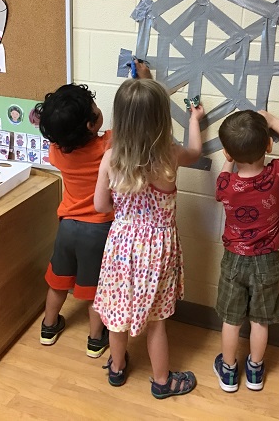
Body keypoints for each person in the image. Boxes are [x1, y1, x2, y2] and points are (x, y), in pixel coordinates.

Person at [93, 61, 205, 398]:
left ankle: (116, 368)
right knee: (156, 321)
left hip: (121, 246)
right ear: (162, 119)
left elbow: (100, 206)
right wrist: (195, 120)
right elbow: (198, 152)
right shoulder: (169, 156)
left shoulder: (110, 158)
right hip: (157, 249)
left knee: (115, 313)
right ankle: (161, 382)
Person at [213, 109, 279, 393]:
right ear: (268, 145)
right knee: (260, 320)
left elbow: (222, 181)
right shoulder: (278, 174)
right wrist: (275, 122)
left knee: (231, 319)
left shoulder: (226, 185)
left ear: (227, 154)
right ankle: (254, 370)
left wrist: (228, 163)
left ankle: (228, 372)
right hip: (267, 262)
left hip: (234, 261)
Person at [34, 84, 114, 358]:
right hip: (98, 229)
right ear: (92, 125)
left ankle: (48, 326)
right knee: (94, 288)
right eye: (94, 109)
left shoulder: (58, 150)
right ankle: (94, 339)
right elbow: (133, 127)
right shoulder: (107, 146)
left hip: (67, 226)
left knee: (58, 281)